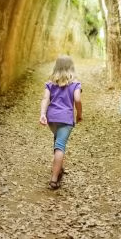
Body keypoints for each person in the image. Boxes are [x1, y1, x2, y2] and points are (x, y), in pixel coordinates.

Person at [39, 55, 83, 190]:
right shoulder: (75, 83)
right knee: (60, 145)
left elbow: (45, 99)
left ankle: (58, 167)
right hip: (65, 118)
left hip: (52, 118)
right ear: (72, 67)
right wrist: (79, 114)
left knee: (58, 139)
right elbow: (77, 99)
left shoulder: (50, 83)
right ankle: (54, 179)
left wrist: (42, 114)